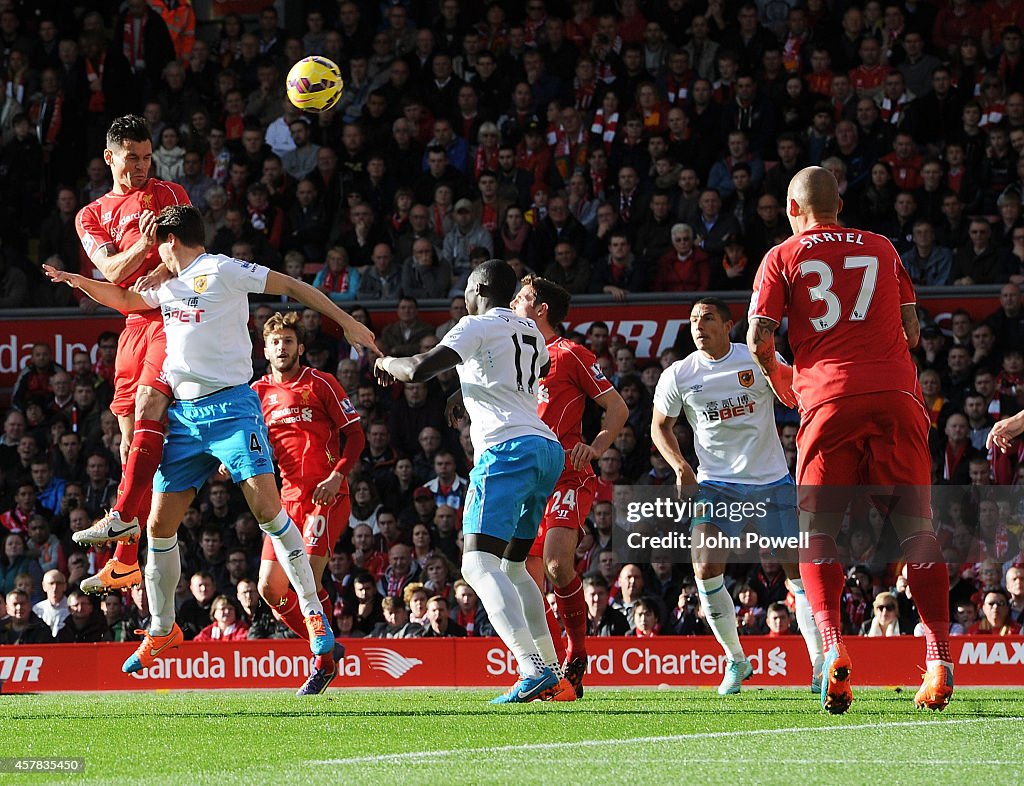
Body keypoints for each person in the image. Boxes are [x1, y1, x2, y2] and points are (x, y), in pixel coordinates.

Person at [45, 204, 378, 676]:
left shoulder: (222, 269)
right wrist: (77, 282)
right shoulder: (166, 286)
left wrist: (343, 321)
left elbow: (292, 285)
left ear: (172, 240)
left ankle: (316, 619)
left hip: (231, 410)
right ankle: (163, 630)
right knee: (159, 526)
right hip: (184, 419)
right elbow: (124, 300)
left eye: (156, 243)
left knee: (268, 512)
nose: (152, 252)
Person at [746, 166, 954, 714]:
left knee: (817, 535)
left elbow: (759, 338)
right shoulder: (883, 248)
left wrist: (781, 380)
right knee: (917, 532)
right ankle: (937, 661)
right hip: (896, 394)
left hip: (828, 399)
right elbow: (911, 332)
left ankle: (834, 647)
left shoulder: (782, 256)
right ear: (839, 204)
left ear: (793, 209)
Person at [374, 259, 573, 703]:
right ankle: (554, 676)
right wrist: (461, 393)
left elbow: (420, 368)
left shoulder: (474, 324)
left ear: (479, 288)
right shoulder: (531, 334)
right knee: (515, 567)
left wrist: (388, 361)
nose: (463, 296)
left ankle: (531, 667)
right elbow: (516, 380)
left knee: (476, 565)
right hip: (545, 450)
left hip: (505, 451)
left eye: (465, 287)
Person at [651, 297, 824, 696]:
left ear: (729, 325)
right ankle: (736, 660)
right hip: (716, 484)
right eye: (693, 319)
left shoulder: (756, 359)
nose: (698, 325)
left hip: (771, 480)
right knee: (705, 568)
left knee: (797, 575)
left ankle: (818, 665)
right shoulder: (679, 374)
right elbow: (660, 426)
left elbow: (793, 394)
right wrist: (680, 465)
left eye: (708, 318)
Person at [72, 114, 191, 595]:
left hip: (170, 320)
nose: (142, 166)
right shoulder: (92, 214)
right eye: (132, 158)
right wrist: (145, 242)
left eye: (147, 157)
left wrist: (164, 272)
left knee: (149, 414)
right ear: (110, 158)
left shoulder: (170, 194)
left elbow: (193, 254)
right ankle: (125, 562)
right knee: (129, 450)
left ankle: (122, 532)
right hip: (131, 327)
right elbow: (111, 272)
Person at [510, 276, 628, 698]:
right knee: (524, 579)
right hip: (526, 481)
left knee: (559, 564)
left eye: (520, 298)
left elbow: (616, 406)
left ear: (541, 310)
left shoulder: (570, 353)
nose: (512, 303)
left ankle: (577, 653)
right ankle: (554, 673)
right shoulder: (514, 357)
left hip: (568, 475)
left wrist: (595, 447)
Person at [251, 311, 365, 694]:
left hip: (326, 497)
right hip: (284, 503)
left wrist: (337, 477)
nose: (281, 348)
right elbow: (249, 444)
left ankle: (322, 663)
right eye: (275, 342)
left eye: (288, 341)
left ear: (300, 347)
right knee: (269, 589)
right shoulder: (257, 394)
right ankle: (328, 647)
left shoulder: (321, 383)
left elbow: (357, 437)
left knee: (307, 583)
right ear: (265, 349)